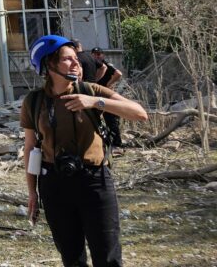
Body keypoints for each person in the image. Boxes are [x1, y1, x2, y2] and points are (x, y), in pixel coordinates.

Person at [21, 35, 147, 266]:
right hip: (54, 184)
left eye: (76, 58)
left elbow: (140, 113)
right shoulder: (34, 101)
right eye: (67, 59)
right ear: (48, 65)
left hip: (95, 181)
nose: (76, 63)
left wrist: (95, 102)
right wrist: (32, 192)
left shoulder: (91, 90)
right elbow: (30, 147)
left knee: (107, 258)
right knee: (71, 258)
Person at [90, 47, 124, 148]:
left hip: (106, 95)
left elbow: (118, 74)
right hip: (97, 95)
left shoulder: (106, 64)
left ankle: (116, 143)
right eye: (94, 54)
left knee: (110, 119)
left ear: (102, 55)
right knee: (96, 118)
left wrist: (109, 83)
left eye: (99, 54)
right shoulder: (92, 64)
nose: (97, 56)